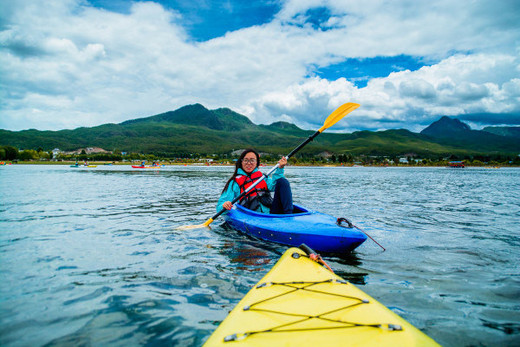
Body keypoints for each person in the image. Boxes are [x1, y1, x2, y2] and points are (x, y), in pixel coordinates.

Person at [217, 149, 293, 214]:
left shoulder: (262, 177)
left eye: (252, 160)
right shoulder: (234, 182)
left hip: (271, 212)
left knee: (283, 181)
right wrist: (224, 205)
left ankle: (289, 216)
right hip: (250, 215)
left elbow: (274, 186)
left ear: (257, 162)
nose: (249, 163)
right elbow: (219, 207)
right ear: (241, 162)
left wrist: (280, 168)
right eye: (246, 160)